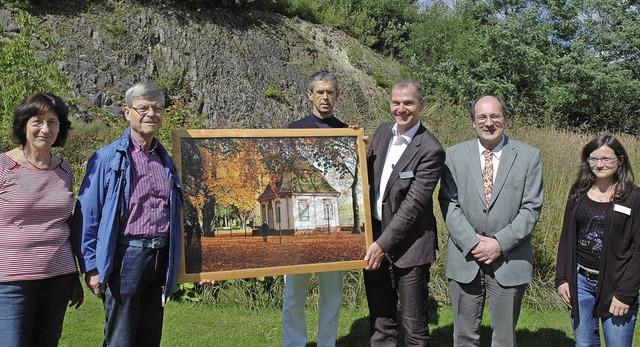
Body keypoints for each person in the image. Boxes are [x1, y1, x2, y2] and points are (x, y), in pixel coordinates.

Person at [72, 82, 183, 346]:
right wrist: (92, 267)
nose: (151, 114)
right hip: (126, 257)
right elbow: (87, 215)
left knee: (149, 336)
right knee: (121, 338)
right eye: (143, 108)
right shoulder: (106, 158)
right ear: (126, 112)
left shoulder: (166, 160)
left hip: (160, 257)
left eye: (157, 108)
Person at [439, 95, 543, 346]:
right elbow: (448, 203)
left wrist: (499, 243)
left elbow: (531, 209)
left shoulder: (529, 156)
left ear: (504, 119)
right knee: (464, 335)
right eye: (482, 117)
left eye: (495, 116)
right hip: (466, 259)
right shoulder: (453, 156)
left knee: (505, 337)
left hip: (509, 260)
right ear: (473, 122)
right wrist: (473, 243)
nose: (489, 123)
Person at [364, 80, 445, 346]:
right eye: (396, 103)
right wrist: (351, 145)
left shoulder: (431, 149)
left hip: (411, 249)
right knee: (381, 323)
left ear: (420, 105)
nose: (401, 109)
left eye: (408, 103)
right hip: (374, 241)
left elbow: (413, 207)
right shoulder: (381, 134)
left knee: (414, 330)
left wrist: (382, 245)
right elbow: (365, 179)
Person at [0, 93, 83, 346]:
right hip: (11, 282)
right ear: (24, 124)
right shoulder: (4, 166)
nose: (45, 129)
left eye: (53, 122)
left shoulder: (64, 169)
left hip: (58, 278)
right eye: (38, 121)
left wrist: (74, 275)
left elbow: (65, 224)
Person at [282, 70, 347, 347]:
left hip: (331, 237)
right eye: (319, 92)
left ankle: (326, 343)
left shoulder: (346, 133)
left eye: (330, 92)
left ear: (337, 96)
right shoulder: (292, 130)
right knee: (294, 296)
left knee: (332, 296)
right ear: (310, 95)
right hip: (298, 232)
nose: (325, 97)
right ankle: (294, 343)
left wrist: (359, 146)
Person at [555, 135, 640, 347]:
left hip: (617, 284)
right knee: (585, 344)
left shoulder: (634, 198)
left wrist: (626, 293)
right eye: (593, 159)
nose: (599, 165)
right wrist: (562, 278)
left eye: (606, 159)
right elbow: (566, 237)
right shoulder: (578, 193)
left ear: (620, 160)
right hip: (580, 282)